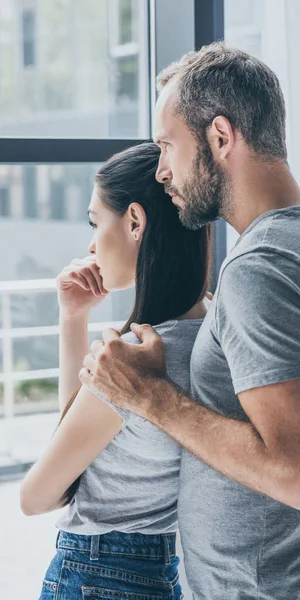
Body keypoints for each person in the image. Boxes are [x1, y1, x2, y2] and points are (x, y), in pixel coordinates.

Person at [79, 42, 300, 600]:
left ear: (221, 137)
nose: (162, 170)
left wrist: (151, 397)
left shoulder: (261, 269)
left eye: (168, 146)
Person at [20, 142, 211, 600]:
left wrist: (70, 323)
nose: (89, 243)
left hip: (95, 574)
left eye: (94, 221)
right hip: (163, 571)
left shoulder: (134, 363)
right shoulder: (214, 333)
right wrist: (74, 319)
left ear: (134, 223)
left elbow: (38, 496)